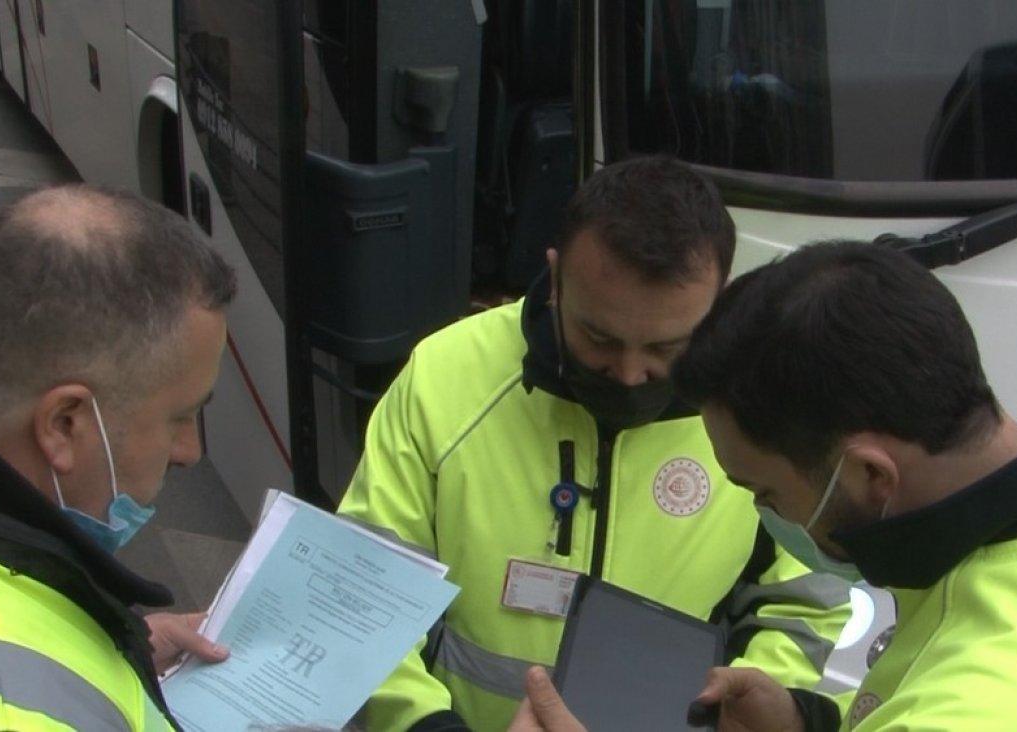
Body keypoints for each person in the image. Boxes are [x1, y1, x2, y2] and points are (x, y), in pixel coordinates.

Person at [510, 239, 1017, 731]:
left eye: (766, 493)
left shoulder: (972, 711)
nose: (766, 513)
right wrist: (809, 725)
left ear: (870, 474)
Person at [337, 157, 852, 731]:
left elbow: (806, 603)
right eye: (599, 337)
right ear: (555, 280)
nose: (630, 375)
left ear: (719, 301)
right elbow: (363, 590)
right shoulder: (444, 378)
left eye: (666, 347)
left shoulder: (764, 413)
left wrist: (733, 713)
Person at [0, 185, 237, 730]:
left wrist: (121, 649)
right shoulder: (15, 715)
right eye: (180, 416)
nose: (190, 452)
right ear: (64, 424)